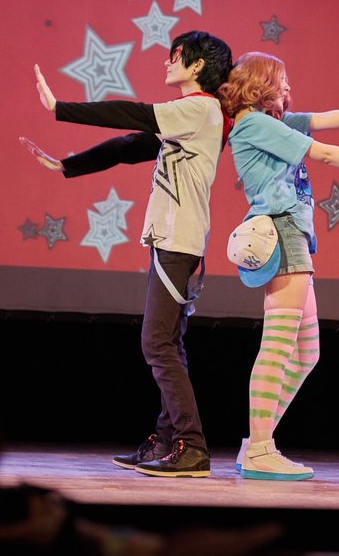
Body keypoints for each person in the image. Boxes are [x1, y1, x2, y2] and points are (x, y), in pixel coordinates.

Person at [20, 30, 233, 478]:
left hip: (178, 241)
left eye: (176, 55)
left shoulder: (199, 108)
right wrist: (68, 165)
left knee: (156, 343)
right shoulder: (191, 117)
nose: (167, 62)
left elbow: (131, 114)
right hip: (171, 241)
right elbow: (128, 147)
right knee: (167, 343)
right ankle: (169, 439)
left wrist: (60, 108)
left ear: (198, 65)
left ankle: (192, 445)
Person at [217, 53, 339, 481]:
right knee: (278, 346)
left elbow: (325, 120)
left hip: (294, 232)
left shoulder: (272, 122)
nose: (288, 86)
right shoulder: (253, 124)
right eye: (281, 80)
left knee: (307, 352)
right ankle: (260, 449)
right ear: (260, 85)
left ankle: (256, 442)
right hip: (281, 229)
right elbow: (324, 152)